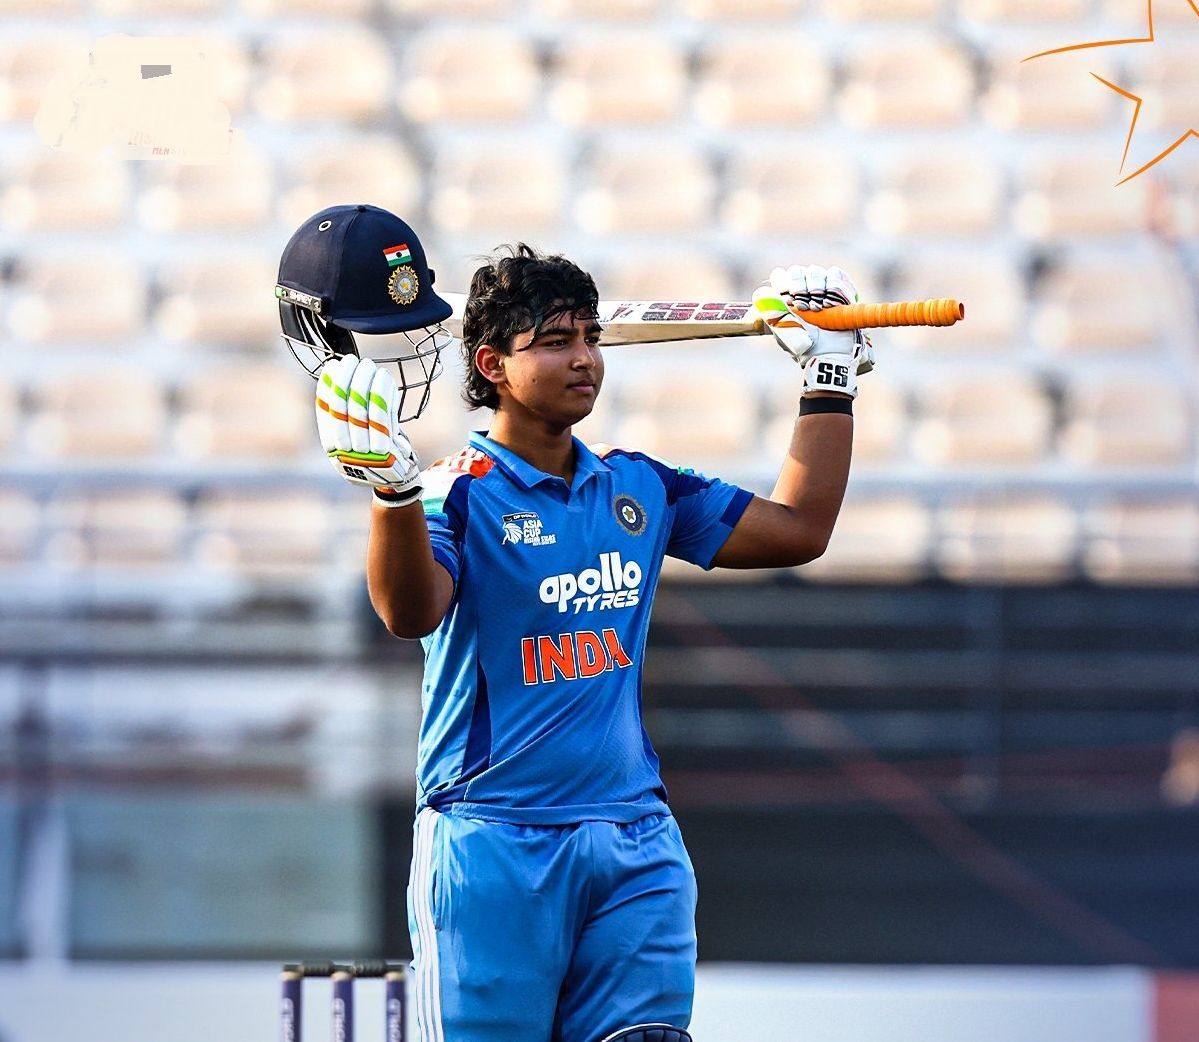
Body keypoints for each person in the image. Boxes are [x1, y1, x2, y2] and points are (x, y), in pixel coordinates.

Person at [277, 206, 872, 1042]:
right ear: (492, 364)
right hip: (491, 843)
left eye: (591, 336)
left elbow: (800, 529)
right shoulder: (455, 491)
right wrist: (392, 493)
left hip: (635, 842)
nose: (586, 359)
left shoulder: (640, 486)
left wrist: (829, 378)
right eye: (556, 341)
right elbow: (408, 611)